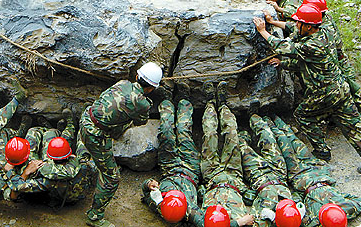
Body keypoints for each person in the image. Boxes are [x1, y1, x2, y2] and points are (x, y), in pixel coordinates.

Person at [253, 4, 361, 170]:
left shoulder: (311, 46)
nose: (296, 25)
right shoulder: (324, 32)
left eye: (300, 23)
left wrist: (263, 31)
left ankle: (322, 151)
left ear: (308, 27)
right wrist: (274, 22)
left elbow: (284, 47)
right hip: (341, 89)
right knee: (355, 128)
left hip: (324, 93)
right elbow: (294, 30)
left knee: (303, 116)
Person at [79, 62, 163, 227]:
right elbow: (141, 121)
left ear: (137, 76)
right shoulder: (143, 103)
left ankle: (94, 157)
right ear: (152, 89)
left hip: (86, 119)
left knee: (117, 122)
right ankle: (94, 217)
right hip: (95, 135)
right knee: (112, 178)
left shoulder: (123, 83)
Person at [269, 116, 361, 226]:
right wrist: (338, 199)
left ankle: (268, 119)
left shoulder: (313, 222)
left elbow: (292, 216)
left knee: (284, 142)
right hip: (317, 171)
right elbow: (360, 201)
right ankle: (276, 118)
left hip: (300, 176)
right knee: (295, 141)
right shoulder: (346, 210)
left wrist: (298, 200)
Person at [4, 111, 96, 206]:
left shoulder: (47, 176)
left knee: (75, 148)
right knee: (83, 152)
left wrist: (21, 172)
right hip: (74, 191)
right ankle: (76, 126)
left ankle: (68, 128)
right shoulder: (74, 164)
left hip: (66, 193)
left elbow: (18, 187)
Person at [200, 82, 255, 227]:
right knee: (232, 134)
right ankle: (223, 105)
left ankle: (210, 102)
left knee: (210, 134)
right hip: (233, 175)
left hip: (211, 176)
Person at [141, 97, 202, 225]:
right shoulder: (190, 212)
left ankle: (166, 99)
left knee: (166, 133)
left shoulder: (159, 203)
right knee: (183, 131)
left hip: (169, 168)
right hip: (190, 169)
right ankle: (185, 99)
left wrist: (148, 183)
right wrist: (240, 222)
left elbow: (145, 192)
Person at [238, 108, 295, 227]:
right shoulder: (294, 221)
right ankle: (253, 114)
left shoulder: (262, 222)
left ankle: (241, 124)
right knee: (267, 135)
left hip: (259, 177)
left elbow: (250, 219)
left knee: (241, 145)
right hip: (279, 173)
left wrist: (271, 219)